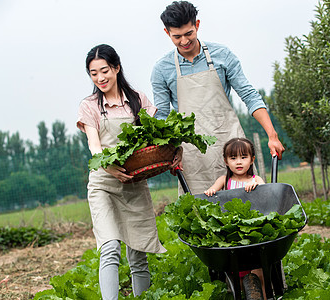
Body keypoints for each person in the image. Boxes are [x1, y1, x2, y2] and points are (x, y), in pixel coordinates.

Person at [151, 1, 285, 195]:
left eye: (189, 33)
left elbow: (249, 95)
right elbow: (162, 116)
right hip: (191, 152)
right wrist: (168, 154)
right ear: (167, 33)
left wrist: (272, 136)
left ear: (197, 25)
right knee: (200, 214)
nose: (184, 41)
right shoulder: (162, 69)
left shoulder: (222, 55)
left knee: (245, 207)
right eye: (177, 36)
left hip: (231, 145)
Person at [76, 44, 166, 300]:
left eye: (104, 70)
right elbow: (94, 145)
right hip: (103, 184)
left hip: (133, 183)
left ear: (116, 68)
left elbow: (154, 136)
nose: (100, 78)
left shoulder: (137, 100)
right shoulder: (90, 105)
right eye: (93, 73)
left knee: (138, 252)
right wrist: (109, 167)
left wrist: (173, 150)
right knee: (110, 248)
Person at [204, 137, 267, 299]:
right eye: (233, 158)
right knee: (234, 274)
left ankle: (264, 295)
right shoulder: (224, 181)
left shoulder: (255, 180)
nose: (239, 162)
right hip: (231, 234)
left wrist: (257, 187)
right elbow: (211, 192)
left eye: (243, 157)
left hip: (254, 235)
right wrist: (211, 192)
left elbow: (266, 191)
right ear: (226, 161)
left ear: (252, 159)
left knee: (259, 272)